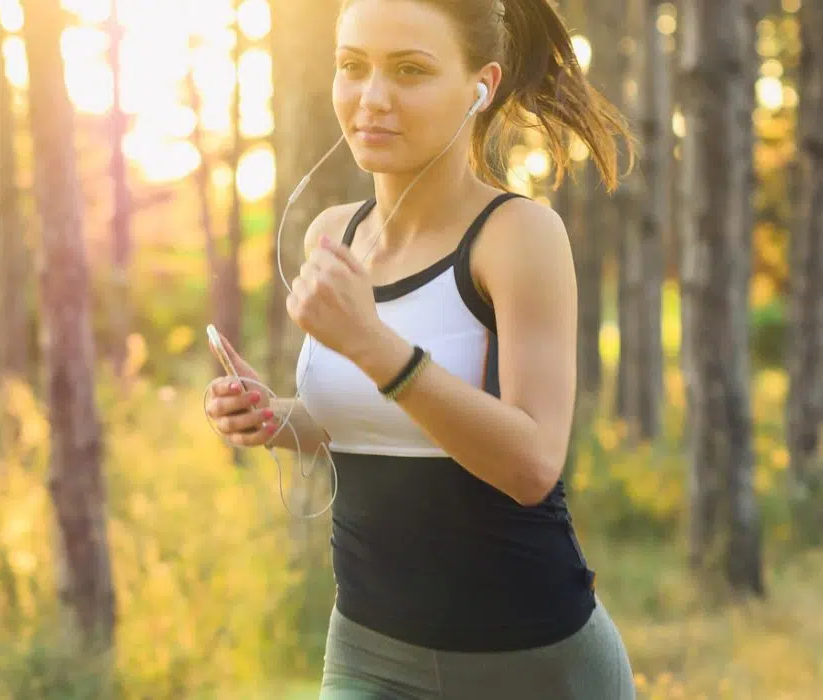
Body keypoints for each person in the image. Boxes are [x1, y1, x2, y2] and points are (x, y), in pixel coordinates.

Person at [204, 0, 637, 697]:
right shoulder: (333, 233)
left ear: (481, 85)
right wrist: (277, 418)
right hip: (370, 652)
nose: (373, 99)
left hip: (534, 662)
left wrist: (375, 346)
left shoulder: (517, 235)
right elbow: (377, 423)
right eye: (353, 67)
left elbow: (531, 464)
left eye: (410, 70)